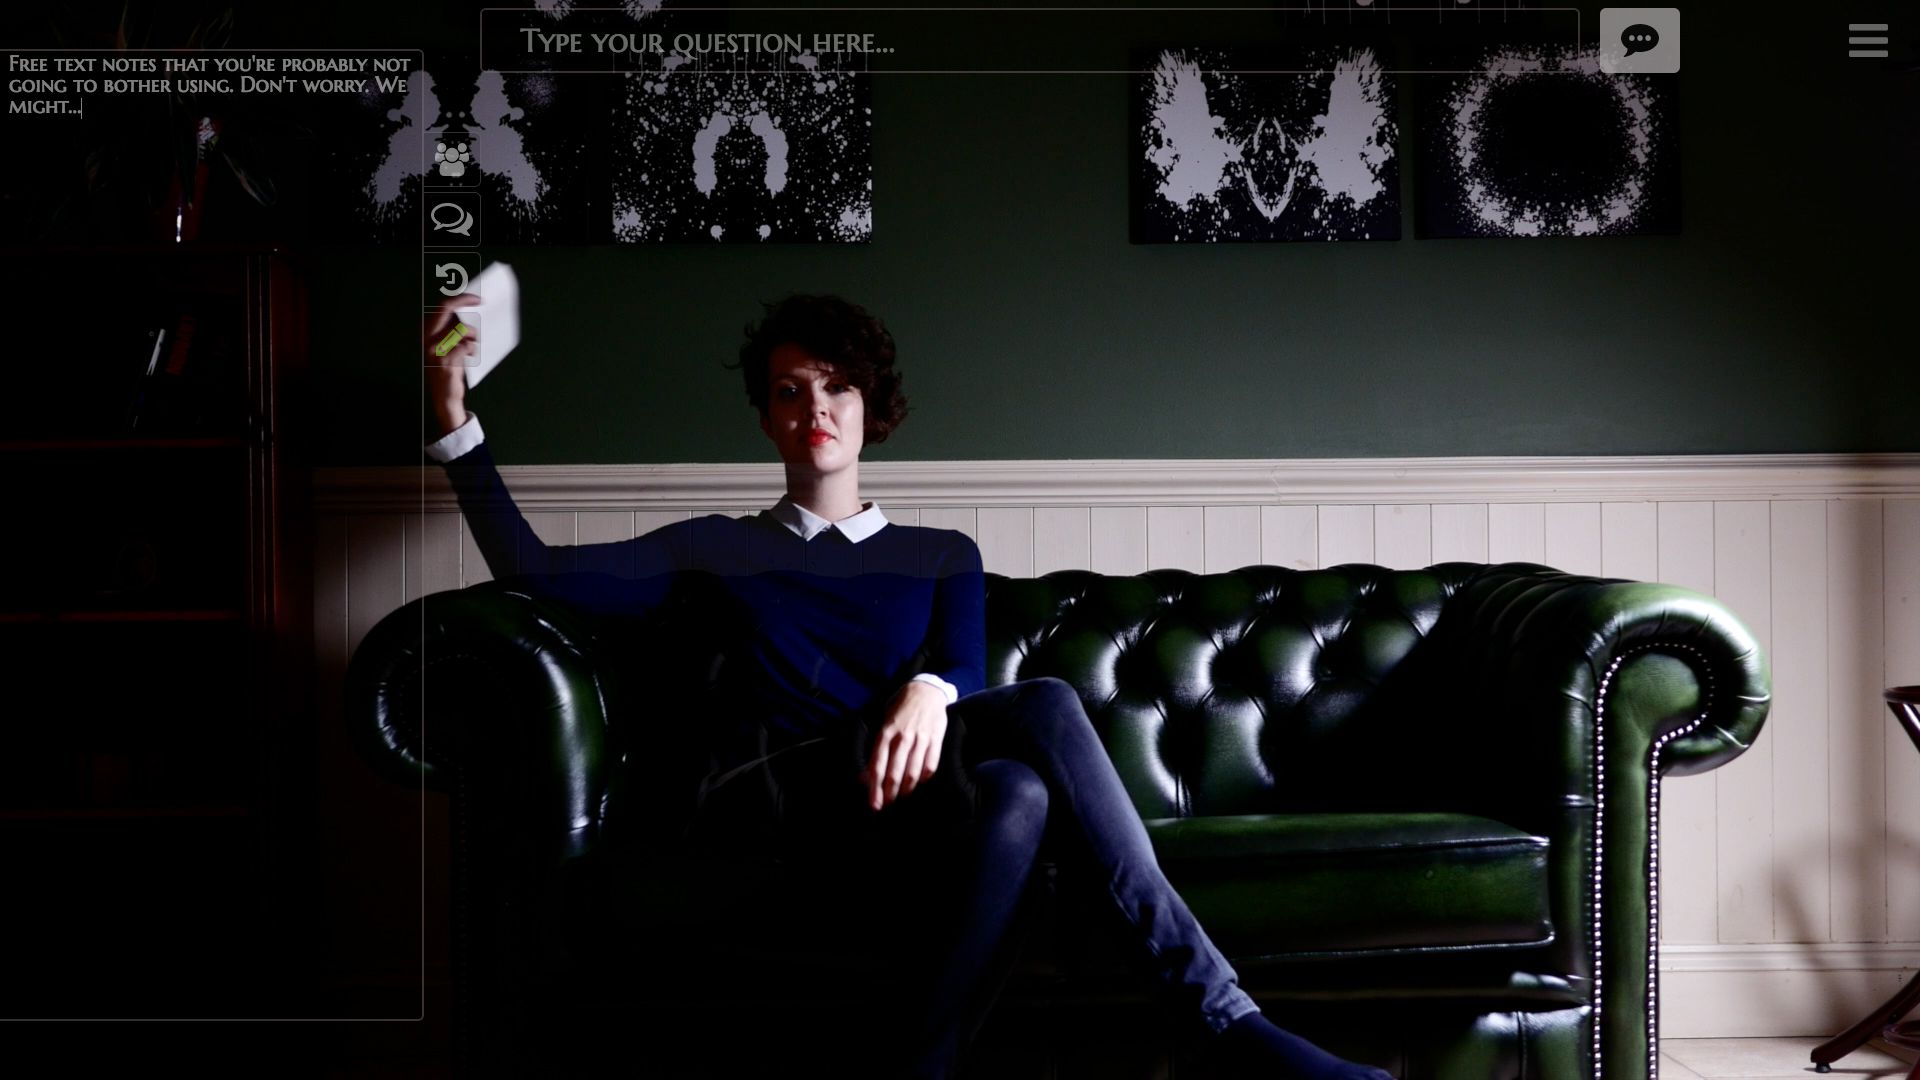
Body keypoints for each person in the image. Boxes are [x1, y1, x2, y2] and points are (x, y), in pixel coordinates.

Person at [421, 292, 1398, 1080]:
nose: (815, 410)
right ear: (766, 417)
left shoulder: (940, 553)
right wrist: (454, 417)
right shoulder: (714, 546)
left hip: (909, 807)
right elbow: (531, 568)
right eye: (791, 392)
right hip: (782, 796)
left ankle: (920, 1065)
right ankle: (1228, 1025)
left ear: (870, 408)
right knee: (1046, 705)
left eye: (836, 388)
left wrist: (933, 689)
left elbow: (963, 665)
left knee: (1017, 792)